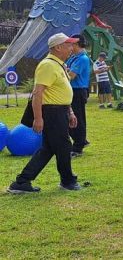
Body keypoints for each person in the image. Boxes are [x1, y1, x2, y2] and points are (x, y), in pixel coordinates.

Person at [7, 33, 82, 194]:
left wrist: (70, 112)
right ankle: (67, 181)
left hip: (59, 111)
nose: (71, 48)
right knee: (63, 145)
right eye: (68, 44)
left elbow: (61, 92)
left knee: (48, 148)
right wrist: (38, 118)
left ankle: (22, 181)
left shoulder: (59, 64)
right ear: (57, 47)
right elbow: (37, 93)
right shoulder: (48, 65)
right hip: (52, 112)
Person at [66, 34, 92, 157]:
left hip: (78, 91)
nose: (70, 46)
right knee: (71, 117)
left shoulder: (82, 59)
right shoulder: (74, 57)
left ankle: (78, 147)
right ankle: (81, 140)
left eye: (72, 44)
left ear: (77, 44)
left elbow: (71, 75)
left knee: (77, 119)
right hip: (72, 90)